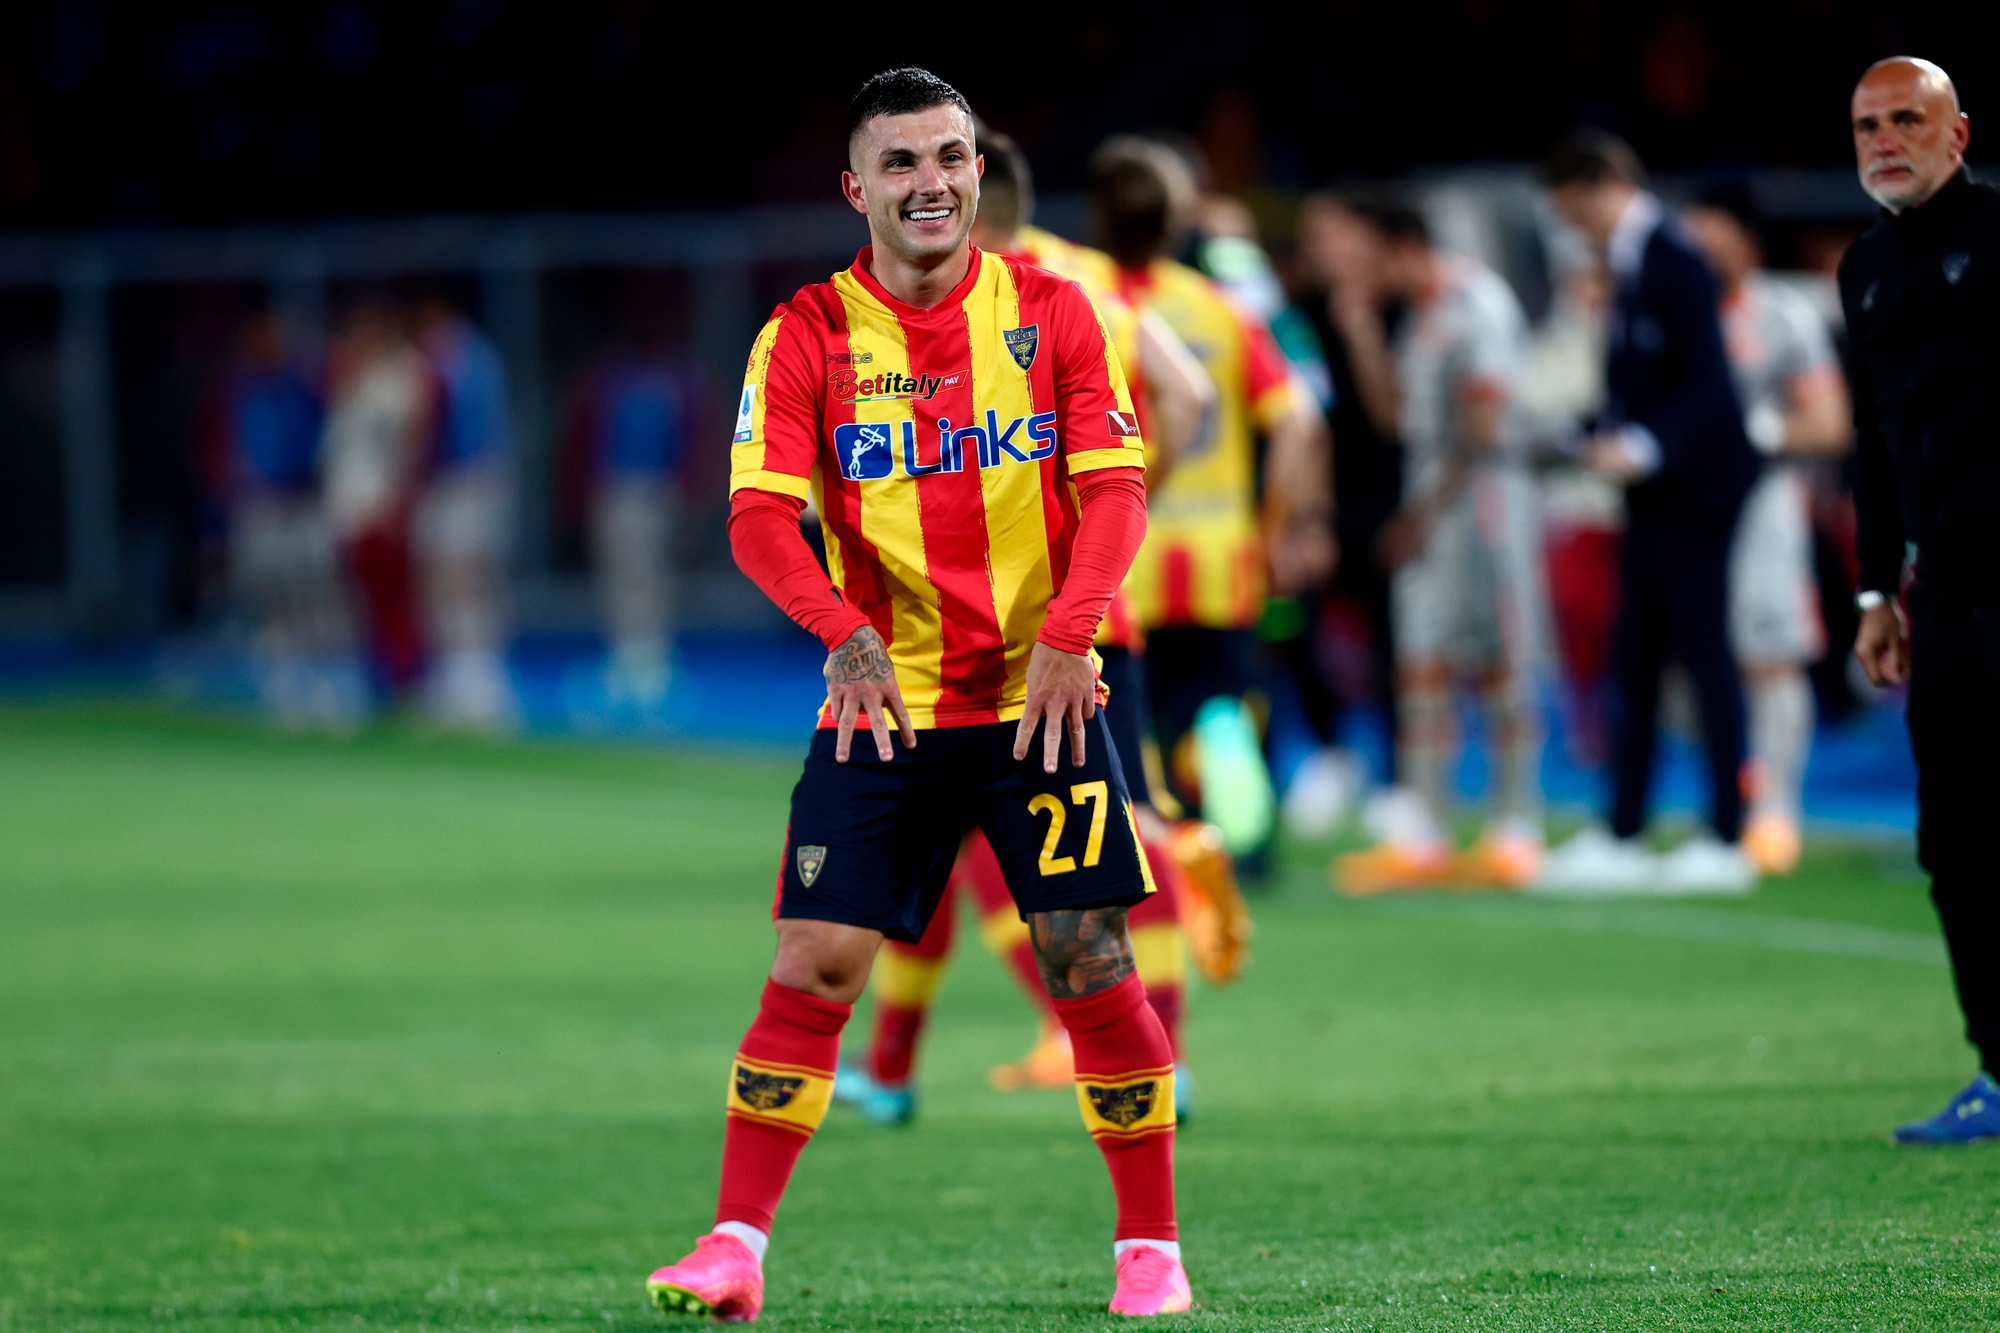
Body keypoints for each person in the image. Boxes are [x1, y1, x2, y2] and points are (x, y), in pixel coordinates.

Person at [642, 70, 1191, 1319]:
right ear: (855, 189)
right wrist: (839, 631)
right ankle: (733, 1247)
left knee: (1087, 958)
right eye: (899, 162)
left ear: (978, 175)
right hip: (884, 705)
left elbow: (1113, 489)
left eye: (948, 157)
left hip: (1038, 704)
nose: (929, 182)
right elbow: (757, 518)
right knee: (815, 959)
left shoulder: (1053, 312)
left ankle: (1149, 1251)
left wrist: (1070, 633)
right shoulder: (804, 335)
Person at [832, 130, 1243, 1127]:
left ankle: (1141, 1051)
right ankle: (897, 1068)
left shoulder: (963, 304)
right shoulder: (1089, 285)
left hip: (993, 625)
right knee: (1020, 834)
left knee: (1004, 839)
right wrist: (1120, 501)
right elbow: (1188, 394)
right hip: (1086, 610)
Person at [1079, 137, 1331, 860]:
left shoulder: (1086, 302)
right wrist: (1273, 525)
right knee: (1224, 695)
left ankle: (1168, 839)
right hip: (1222, 548)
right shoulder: (1221, 309)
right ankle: (1239, 821)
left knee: (1138, 711)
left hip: (1132, 549)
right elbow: (1298, 422)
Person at [1841, 56, 2000, 1145]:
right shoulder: (1861, 269)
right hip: (1940, 590)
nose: (1884, 140)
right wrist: (1873, 589)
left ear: (1957, 133)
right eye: (1867, 126)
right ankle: (1998, 1066)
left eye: (1907, 119)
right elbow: (1871, 445)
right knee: (1955, 837)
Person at [1536, 132, 1761, 895]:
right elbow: (1640, 377)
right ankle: (1623, 831)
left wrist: (1643, 445)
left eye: (1575, 211)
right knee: (1633, 659)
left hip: (1697, 492)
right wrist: (1591, 432)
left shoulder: (1676, 257)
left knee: (1704, 658)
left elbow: (1710, 384)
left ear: (1603, 186)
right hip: (1654, 494)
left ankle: (1727, 834)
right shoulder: (1633, 262)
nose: (1574, 229)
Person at [1331, 199, 1551, 893]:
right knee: (1421, 668)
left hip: (1484, 506)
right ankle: (1424, 833)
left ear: (1406, 247)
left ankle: (1517, 829)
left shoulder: (1477, 304)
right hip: (1431, 506)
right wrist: (1362, 338)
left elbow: (1482, 425)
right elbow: (1399, 418)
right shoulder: (1422, 316)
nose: (1368, 275)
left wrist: (1419, 515)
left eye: (1375, 260)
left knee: (1499, 663)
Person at [1684, 184, 1853, 876]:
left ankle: (1778, 811)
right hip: (1689, 512)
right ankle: (1725, 801)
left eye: (1712, 237)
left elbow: (1830, 423)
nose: (1700, 252)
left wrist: (1756, 431)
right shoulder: (1680, 312)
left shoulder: (1782, 315)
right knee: (1700, 666)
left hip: (1763, 510)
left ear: (1744, 241)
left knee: (1771, 655)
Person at [320, 299, 432, 701]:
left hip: (380, 506)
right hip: (349, 506)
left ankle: (407, 678)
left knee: (394, 599)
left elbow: (411, 442)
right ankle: (376, 677)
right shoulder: (351, 383)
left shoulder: (398, 379)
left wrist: (396, 499)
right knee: (361, 602)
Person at [413, 299, 517, 730]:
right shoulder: (482, 356)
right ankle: (466, 674)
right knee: (457, 580)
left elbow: (435, 424)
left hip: (463, 479)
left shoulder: (451, 358)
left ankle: (475, 679)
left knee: (461, 579)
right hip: (474, 478)